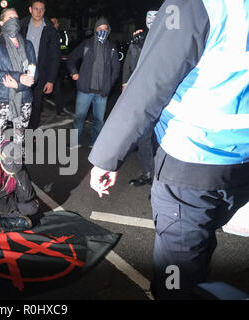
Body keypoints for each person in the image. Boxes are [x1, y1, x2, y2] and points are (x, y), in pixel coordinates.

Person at [89, 0, 249, 299]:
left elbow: (150, 84)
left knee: (176, 276)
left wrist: (107, 158)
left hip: (191, 162)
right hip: (241, 162)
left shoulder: (193, 5)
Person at [0, 7, 37, 155]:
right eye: (9, 18)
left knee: (19, 140)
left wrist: (18, 84)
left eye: (16, 18)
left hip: (24, 98)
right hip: (1, 98)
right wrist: (19, 77)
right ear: (1, 23)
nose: (13, 21)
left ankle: (14, 173)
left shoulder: (28, 45)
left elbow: (34, 73)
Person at [66, 17, 120, 149]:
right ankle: (75, 142)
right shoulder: (87, 44)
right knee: (79, 117)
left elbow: (116, 69)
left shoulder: (111, 48)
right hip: (85, 90)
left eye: (105, 29)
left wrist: (108, 85)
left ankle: (94, 143)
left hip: (102, 92)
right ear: (95, 30)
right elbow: (71, 58)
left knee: (99, 120)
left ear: (108, 31)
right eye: (99, 29)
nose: (102, 31)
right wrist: (74, 72)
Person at [122, 9, 158, 187]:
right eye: (149, 16)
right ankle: (148, 172)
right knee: (144, 138)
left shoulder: (170, 36)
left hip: (163, 95)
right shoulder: (139, 38)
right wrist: (125, 84)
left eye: (156, 16)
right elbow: (130, 62)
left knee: (161, 139)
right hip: (143, 95)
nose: (152, 20)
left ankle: (161, 179)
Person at [20, 0, 60, 129]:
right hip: (21, 72)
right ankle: (18, 130)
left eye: (41, 9)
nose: (39, 12)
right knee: (20, 103)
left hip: (41, 74)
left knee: (36, 105)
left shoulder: (50, 30)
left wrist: (51, 81)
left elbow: (55, 57)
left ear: (44, 11)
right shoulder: (21, 27)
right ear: (30, 9)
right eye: (36, 9)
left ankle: (30, 132)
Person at [49, 17, 67, 117]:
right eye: (51, 22)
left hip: (57, 64)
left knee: (57, 87)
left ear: (58, 24)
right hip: (45, 65)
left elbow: (65, 45)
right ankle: (39, 110)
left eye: (54, 22)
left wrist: (61, 53)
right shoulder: (45, 33)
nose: (53, 24)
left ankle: (60, 109)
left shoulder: (61, 34)